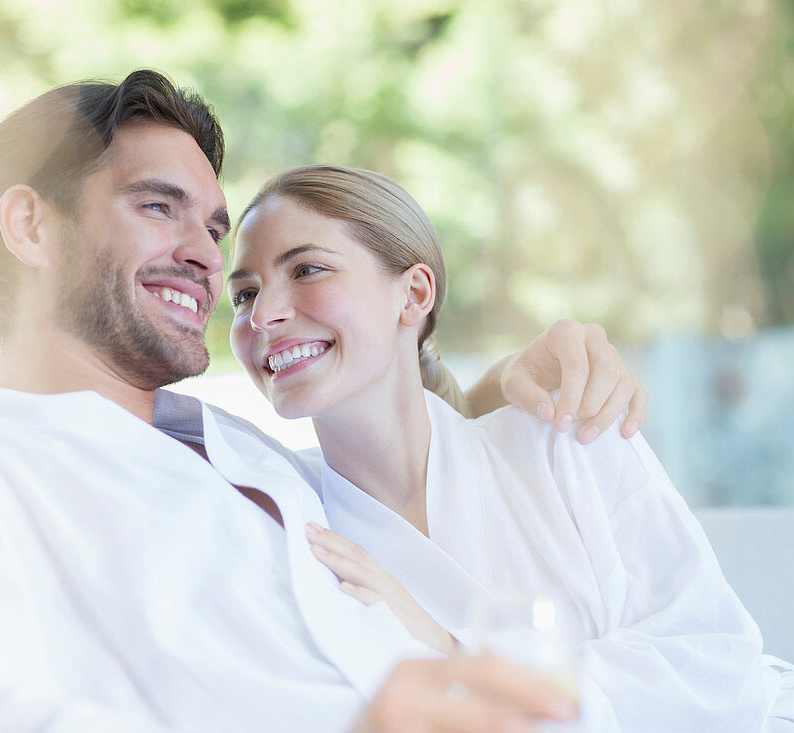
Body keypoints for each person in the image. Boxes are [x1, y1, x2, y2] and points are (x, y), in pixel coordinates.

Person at [0, 70, 643, 732]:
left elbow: (405, 455)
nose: (206, 256)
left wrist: (501, 385)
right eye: (160, 206)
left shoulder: (247, 458)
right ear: (31, 225)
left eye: (214, 228)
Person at [226, 164, 794, 731]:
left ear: (414, 293)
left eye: (307, 269)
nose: (263, 315)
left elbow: (720, 669)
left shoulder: (566, 440)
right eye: (244, 294)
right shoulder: (290, 523)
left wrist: (455, 658)